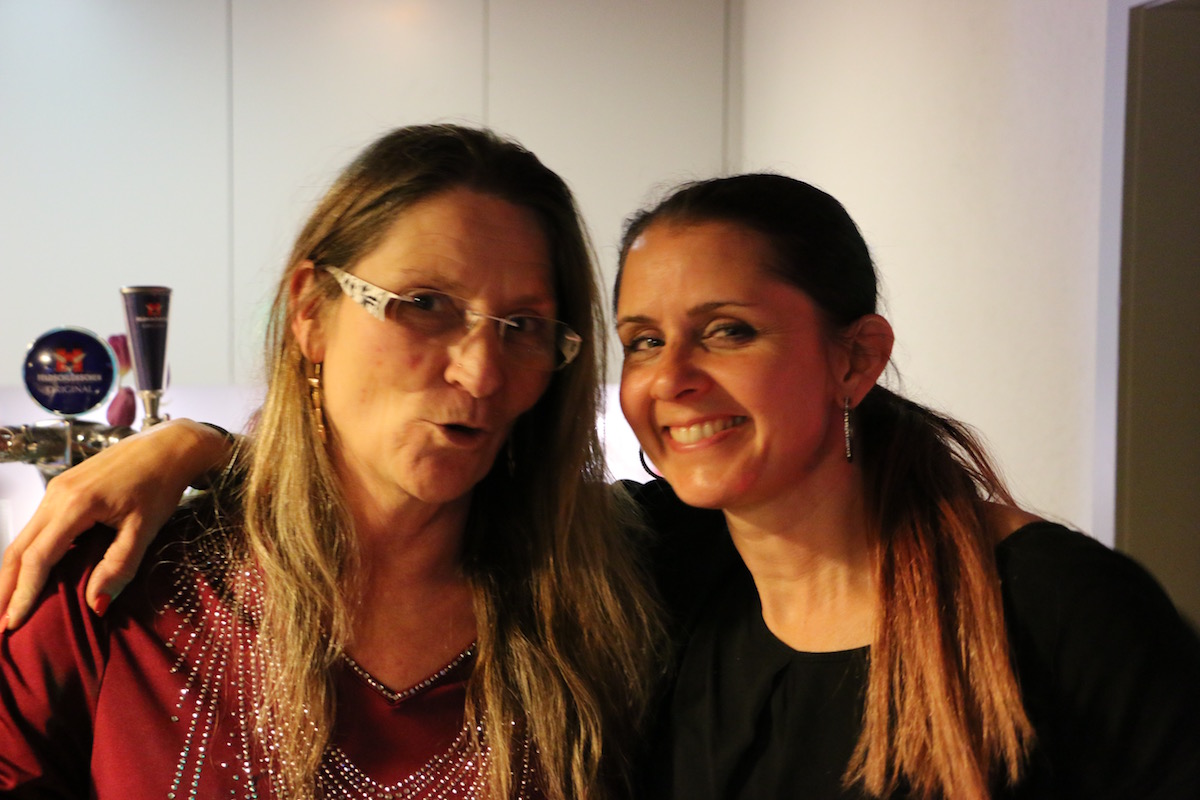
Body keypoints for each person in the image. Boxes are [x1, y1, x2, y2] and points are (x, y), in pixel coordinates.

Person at [6, 173, 1200, 799]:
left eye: (728, 329)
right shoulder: (646, 577)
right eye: (641, 339)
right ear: (311, 312)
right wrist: (194, 442)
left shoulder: (1043, 604)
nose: (673, 380)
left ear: (856, 358)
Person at [0, 124, 664, 799]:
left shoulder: (611, 599)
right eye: (425, 304)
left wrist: (200, 444)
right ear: (311, 311)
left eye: (522, 326)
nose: (482, 372)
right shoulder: (116, 586)